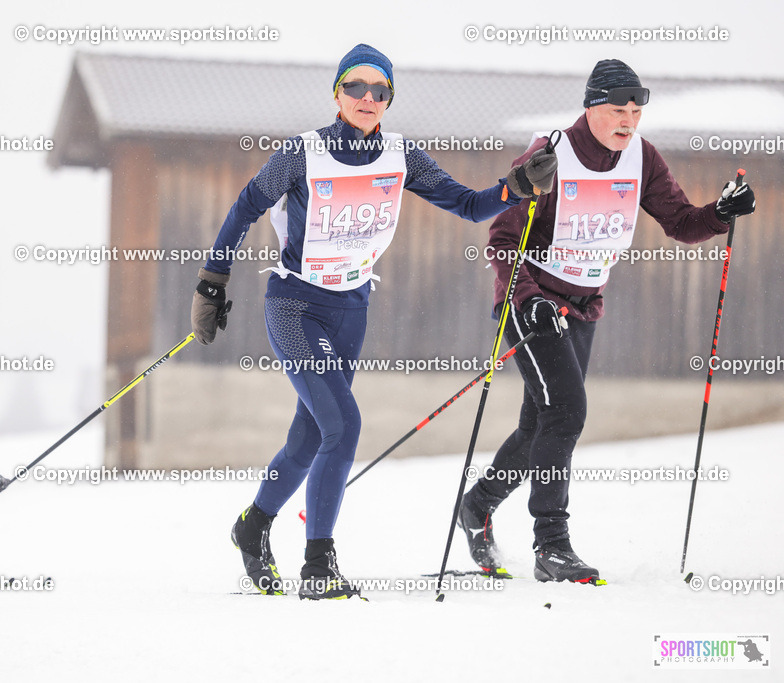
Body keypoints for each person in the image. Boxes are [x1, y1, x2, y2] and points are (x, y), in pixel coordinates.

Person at [190, 44, 558, 599]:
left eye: (379, 90)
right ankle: (319, 564)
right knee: (344, 426)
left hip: (351, 309)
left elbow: (468, 204)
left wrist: (517, 187)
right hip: (294, 304)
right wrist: (212, 282)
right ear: (337, 94)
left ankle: (253, 526)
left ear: (389, 99)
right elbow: (246, 205)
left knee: (311, 435)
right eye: (356, 87)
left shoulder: (401, 156)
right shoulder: (303, 154)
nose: (367, 98)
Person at [458, 59, 756, 584]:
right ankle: (552, 544)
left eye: (636, 111)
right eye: (618, 109)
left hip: (582, 308)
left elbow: (681, 222)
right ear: (591, 108)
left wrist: (721, 213)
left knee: (541, 424)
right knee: (567, 412)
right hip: (532, 306)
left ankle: (477, 505)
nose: (628, 120)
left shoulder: (640, 157)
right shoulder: (550, 155)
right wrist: (527, 298)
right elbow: (503, 241)